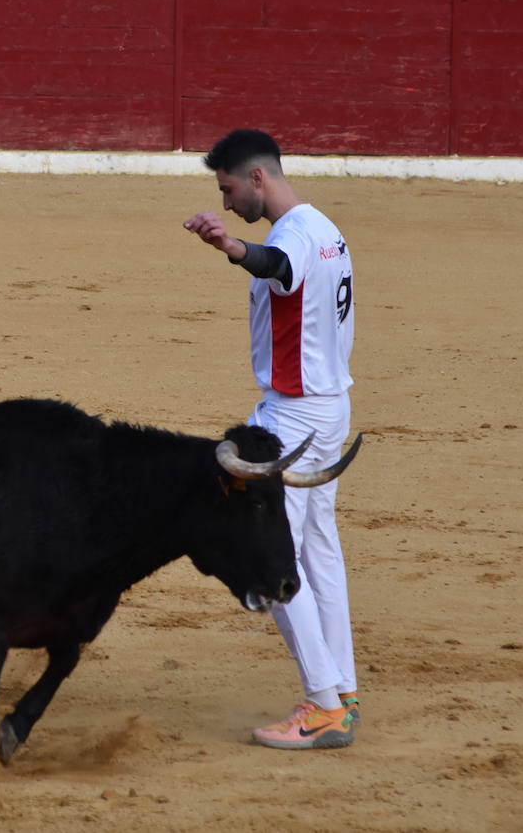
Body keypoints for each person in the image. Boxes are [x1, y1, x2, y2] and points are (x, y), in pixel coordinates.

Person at [182, 128, 359, 750]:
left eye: (229, 188)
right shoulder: (327, 227)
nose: (227, 201)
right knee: (318, 550)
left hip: (294, 418)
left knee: (272, 556)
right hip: (330, 405)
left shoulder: (294, 237)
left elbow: (276, 267)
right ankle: (342, 689)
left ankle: (323, 705)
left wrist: (230, 246)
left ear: (257, 177)